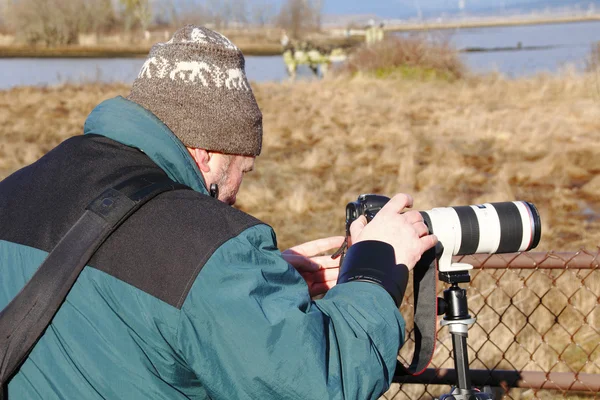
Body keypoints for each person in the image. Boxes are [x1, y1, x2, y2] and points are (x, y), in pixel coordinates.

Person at [0, 26, 437, 399]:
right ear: (205, 154)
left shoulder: (17, 188)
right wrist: (377, 265)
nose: (235, 193)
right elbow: (320, 380)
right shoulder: (206, 249)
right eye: (242, 168)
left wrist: (256, 280)